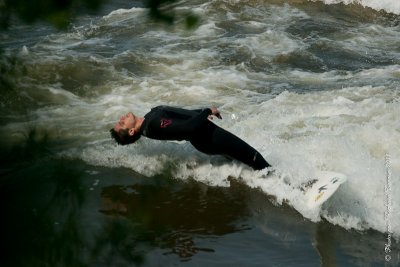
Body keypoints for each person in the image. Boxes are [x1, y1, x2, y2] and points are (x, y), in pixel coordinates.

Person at [110, 105, 271, 170]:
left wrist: (200, 111)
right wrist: (207, 111)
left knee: (243, 163)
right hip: (211, 138)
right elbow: (188, 128)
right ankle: (286, 188)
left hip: (207, 140)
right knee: (256, 160)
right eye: (122, 124)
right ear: (131, 131)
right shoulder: (152, 124)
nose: (121, 119)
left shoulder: (148, 120)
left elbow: (180, 116)